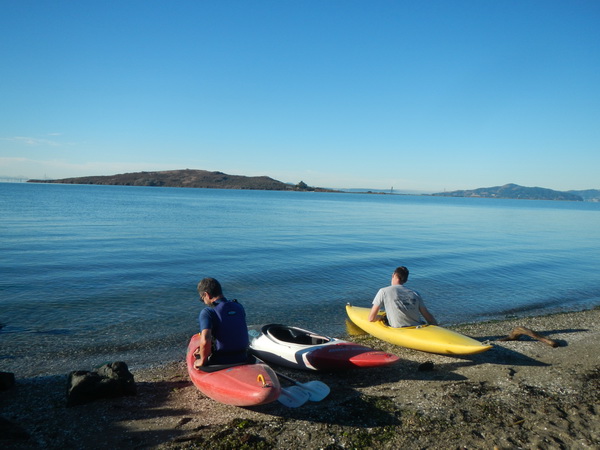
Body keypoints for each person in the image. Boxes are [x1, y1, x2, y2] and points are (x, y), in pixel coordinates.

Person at [194, 277, 249, 368]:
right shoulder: (239, 306)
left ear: (206, 294)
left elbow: (205, 340)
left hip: (221, 361)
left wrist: (202, 361)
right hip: (243, 357)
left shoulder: (208, 312)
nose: (203, 302)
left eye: (202, 298)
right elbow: (230, 329)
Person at [368, 266, 438, 327]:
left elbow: (371, 318)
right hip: (417, 327)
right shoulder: (415, 293)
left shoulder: (383, 291)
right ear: (406, 280)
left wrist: (381, 317)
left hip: (400, 330)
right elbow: (428, 317)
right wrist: (438, 329)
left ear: (393, 275)